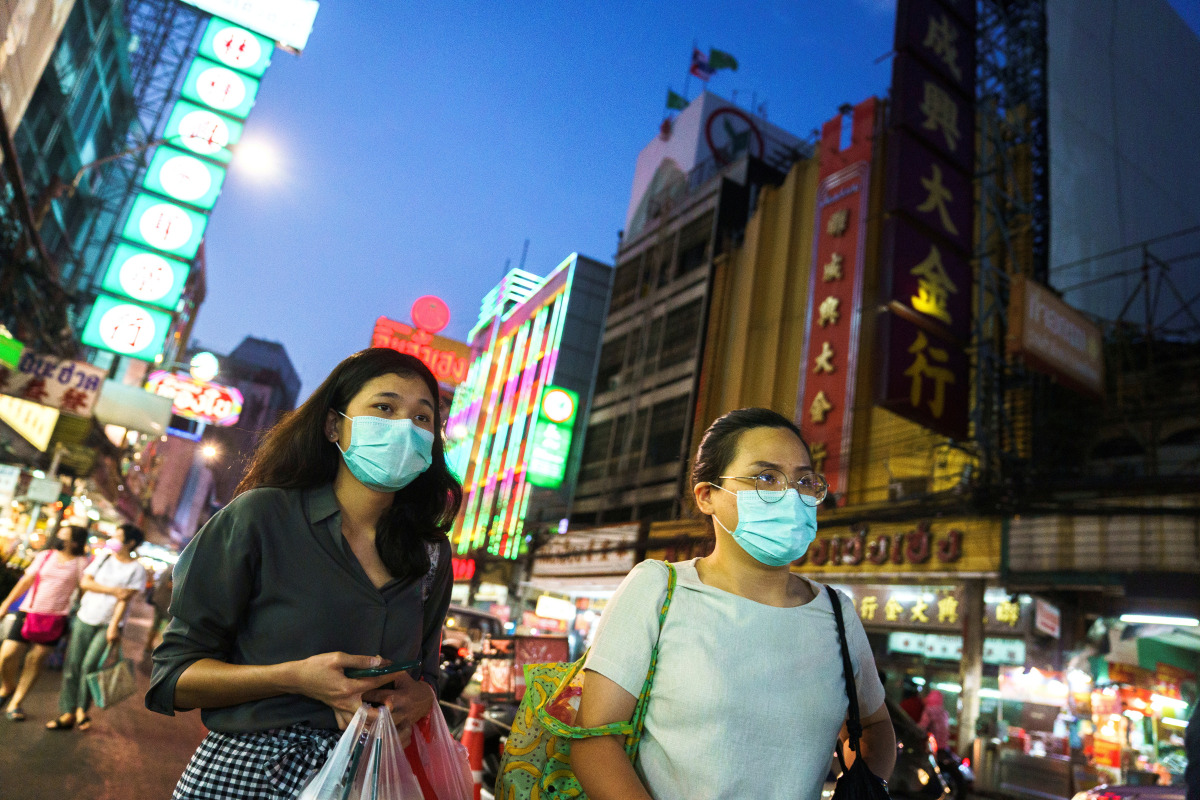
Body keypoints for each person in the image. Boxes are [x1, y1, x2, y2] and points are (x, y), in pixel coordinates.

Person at [147, 348, 462, 799]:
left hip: (369, 781)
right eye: (384, 408)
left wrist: (420, 699)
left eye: (422, 418)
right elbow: (173, 678)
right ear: (335, 424)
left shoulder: (431, 553)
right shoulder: (261, 517)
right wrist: (294, 677)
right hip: (247, 778)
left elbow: (427, 675)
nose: (404, 429)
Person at [572, 407, 896, 800]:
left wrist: (859, 786)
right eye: (766, 477)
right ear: (707, 496)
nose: (791, 495)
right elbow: (594, 739)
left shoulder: (836, 612)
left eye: (804, 480)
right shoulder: (659, 589)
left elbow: (874, 726)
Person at [47, 523, 148, 730]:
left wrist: (113, 626)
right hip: (86, 616)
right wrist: (114, 590)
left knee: (89, 665)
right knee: (73, 664)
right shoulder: (103, 558)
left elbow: (125, 599)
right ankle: (67, 711)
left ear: (130, 542)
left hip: (109, 624)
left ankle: (82, 710)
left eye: (118, 536)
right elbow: (86, 583)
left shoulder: (137, 569)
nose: (113, 539)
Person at [0, 525, 89, 721]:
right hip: (28, 612)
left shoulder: (81, 563)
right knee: (6, 655)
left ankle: (16, 702)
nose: (58, 537)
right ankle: (7, 687)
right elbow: (26, 581)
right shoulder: (45, 556)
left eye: (63, 536)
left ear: (74, 542)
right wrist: (5, 604)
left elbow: (84, 591)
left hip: (56, 618)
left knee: (35, 659)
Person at [143, 566, 173, 658]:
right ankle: (155, 647)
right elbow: (170, 584)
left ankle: (149, 646)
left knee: (156, 625)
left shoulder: (170, 567)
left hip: (160, 601)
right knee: (166, 627)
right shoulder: (176, 569)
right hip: (167, 603)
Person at [918, 688, 952, 753]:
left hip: (932, 747)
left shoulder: (928, 711)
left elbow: (922, 727)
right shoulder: (944, 713)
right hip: (944, 747)